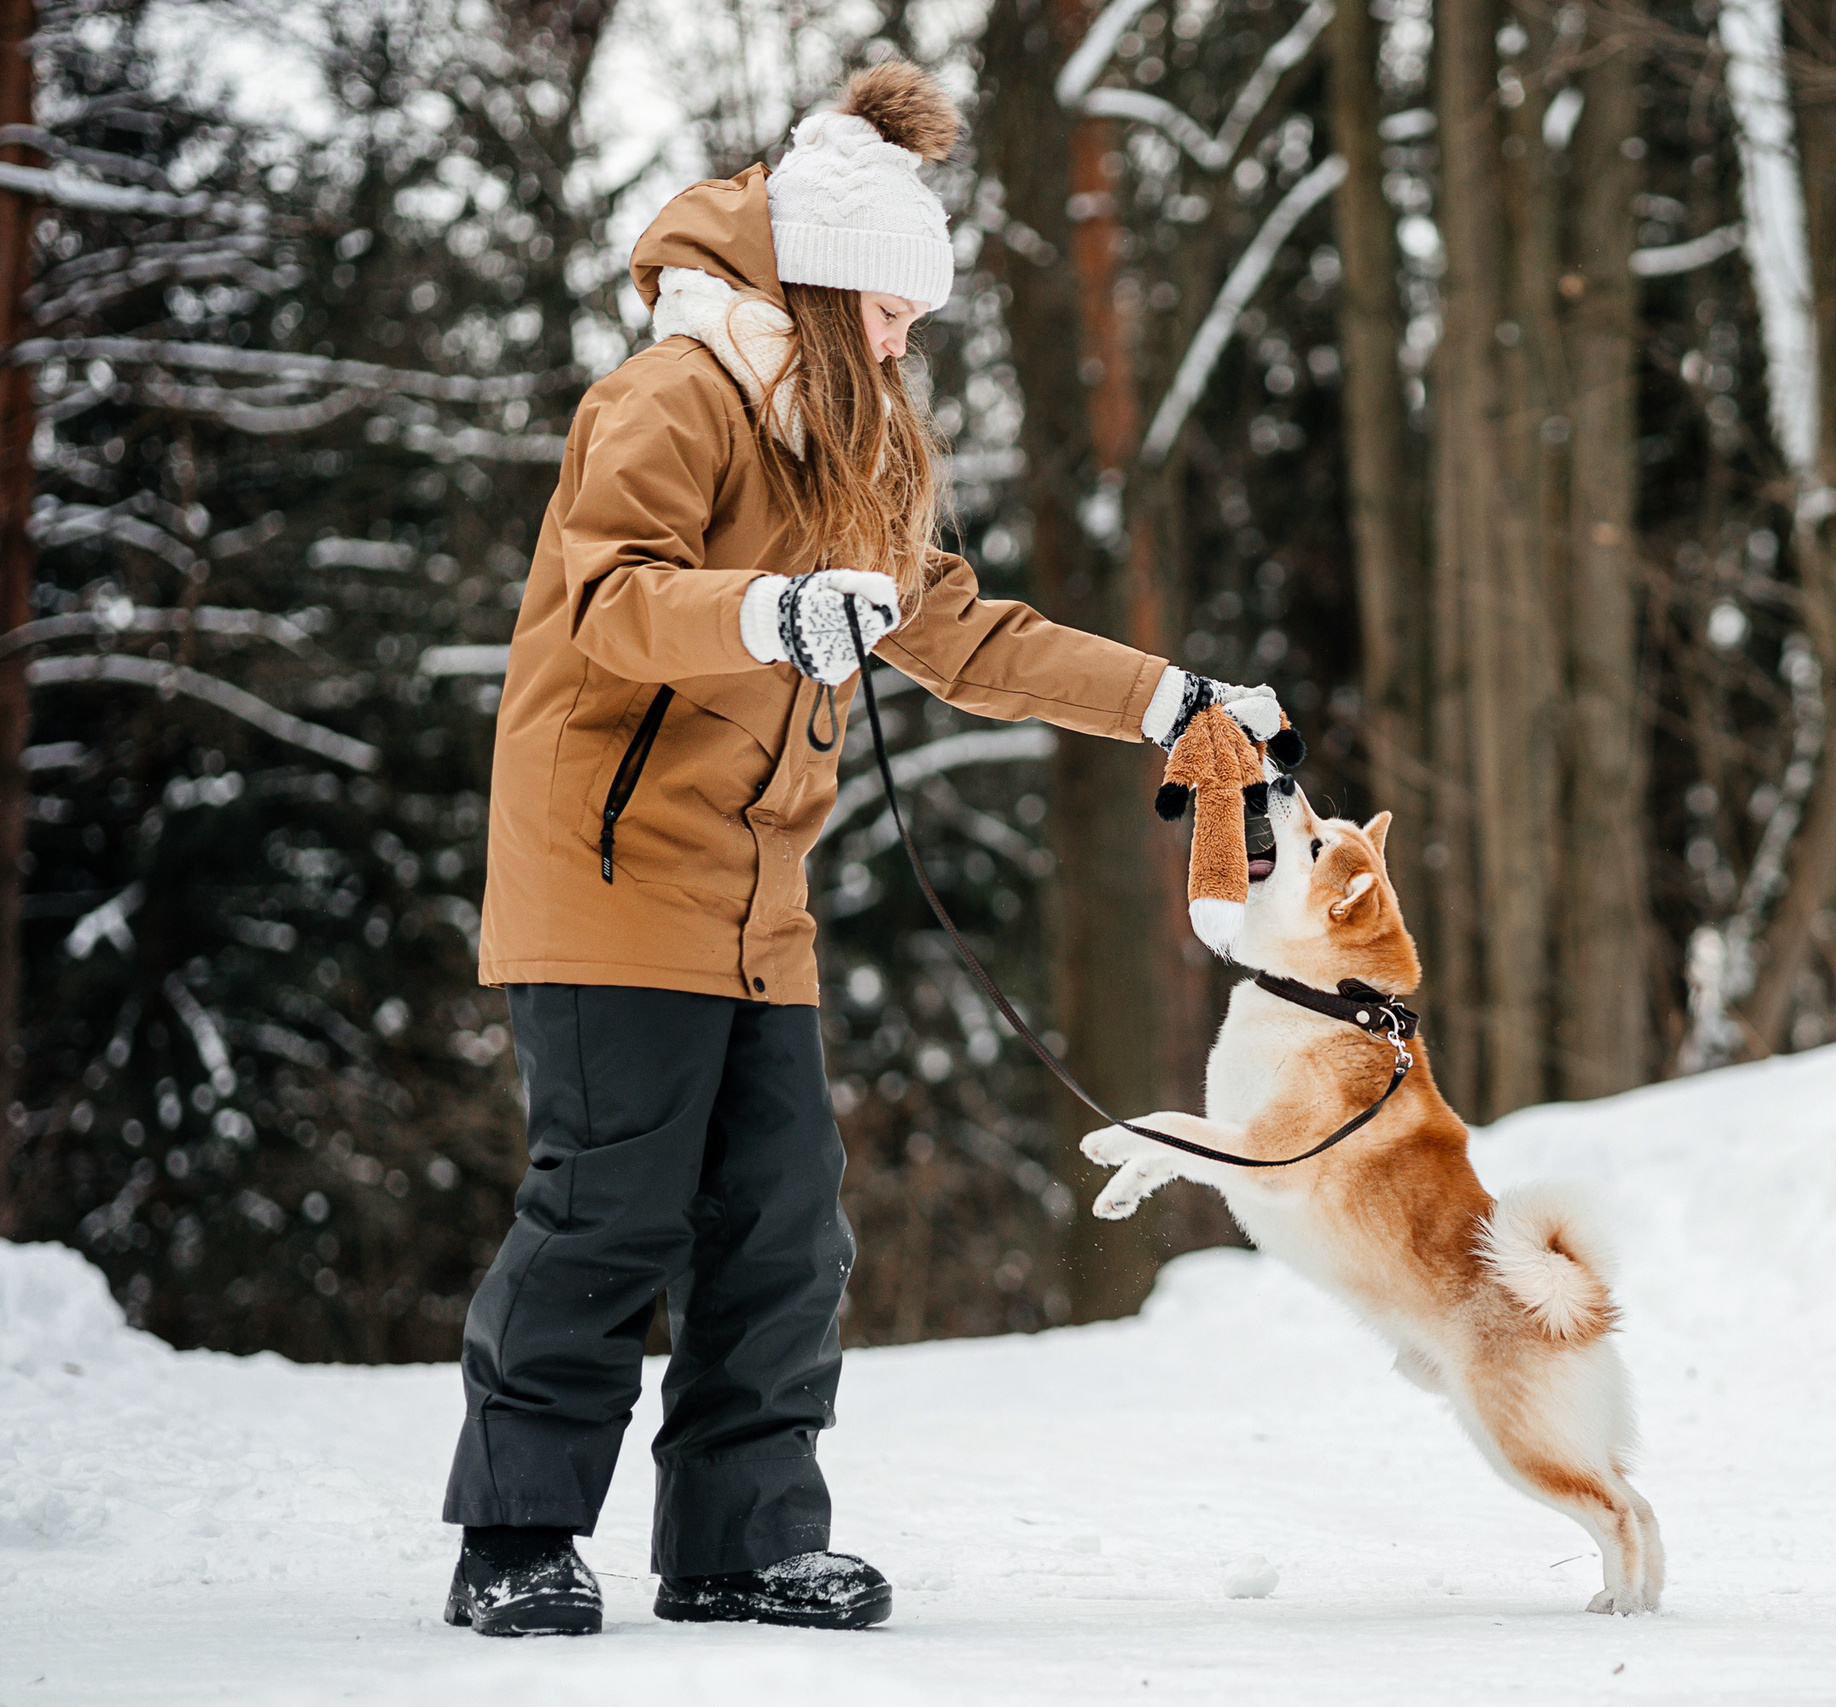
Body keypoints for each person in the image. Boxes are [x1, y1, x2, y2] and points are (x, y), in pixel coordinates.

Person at [440, 60, 1281, 1637]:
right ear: (825, 293)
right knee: (607, 1213)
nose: (908, 340)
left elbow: (959, 632)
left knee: (782, 1220)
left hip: (760, 904)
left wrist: (1166, 699)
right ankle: (515, 1537)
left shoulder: (853, 444)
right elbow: (610, 598)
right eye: (890, 312)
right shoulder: (666, 396)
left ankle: (737, 1542)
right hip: (609, 881)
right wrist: (770, 610)